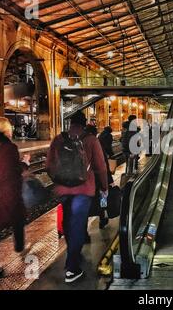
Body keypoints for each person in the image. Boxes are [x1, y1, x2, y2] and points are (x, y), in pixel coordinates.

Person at [46, 112, 108, 283]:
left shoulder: (59, 139)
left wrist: (59, 180)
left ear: (70, 123)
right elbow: (101, 167)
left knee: (68, 224)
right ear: (84, 123)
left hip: (64, 191)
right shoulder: (91, 140)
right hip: (83, 190)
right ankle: (72, 269)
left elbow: (48, 165)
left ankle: (73, 253)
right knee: (78, 226)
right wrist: (104, 187)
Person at [0, 118, 28, 280]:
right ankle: (20, 247)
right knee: (18, 218)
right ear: (6, 130)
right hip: (7, 195)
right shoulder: (9, 148)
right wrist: (25, 164)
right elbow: (13, 173)